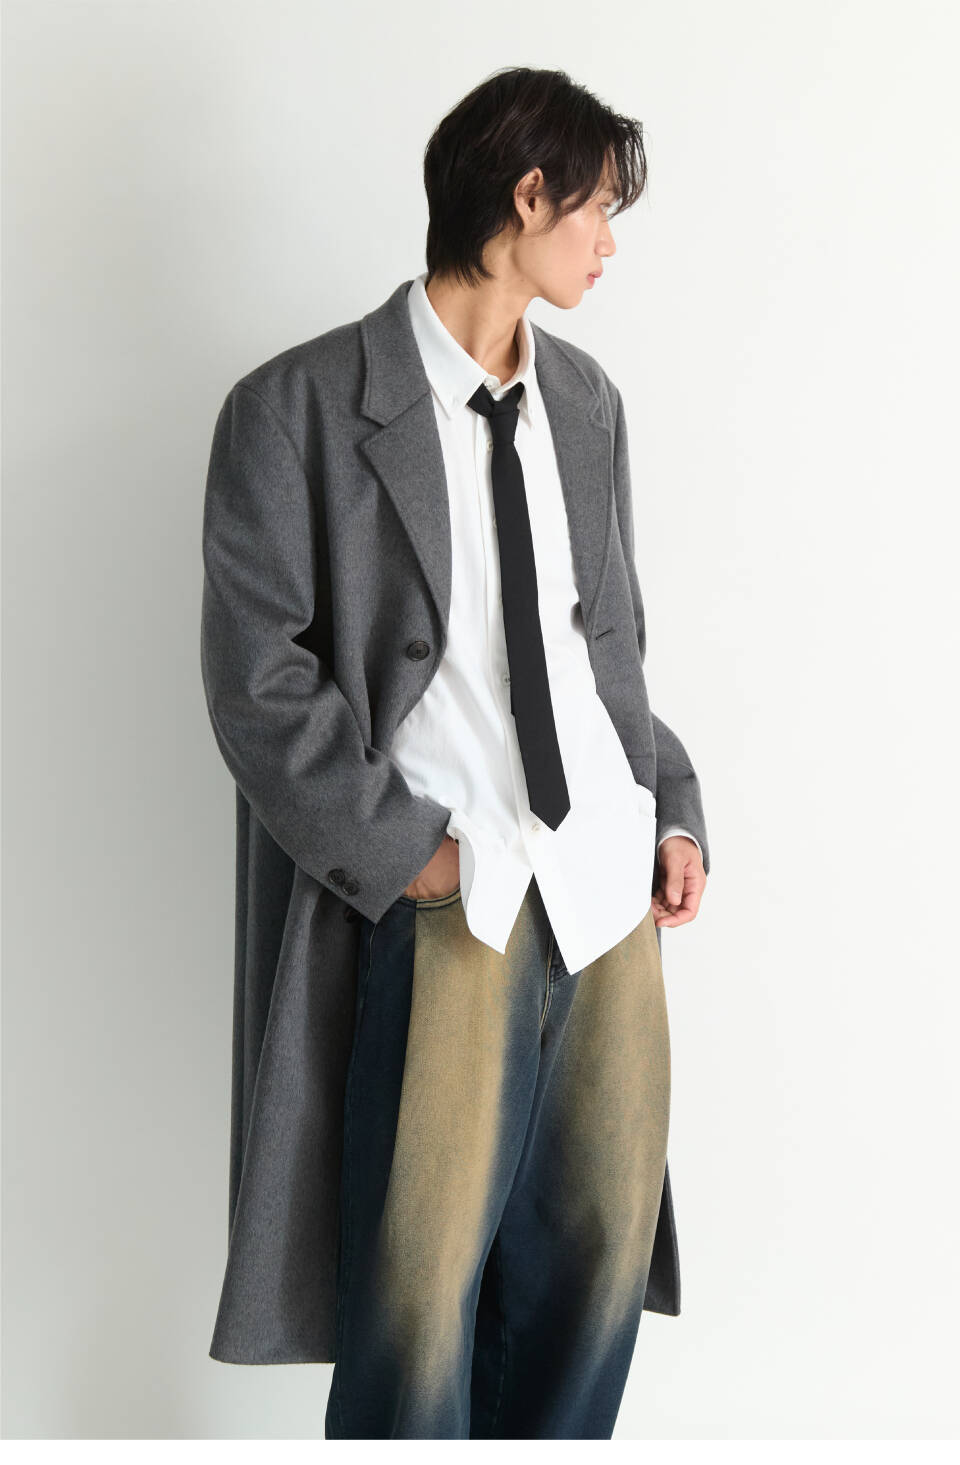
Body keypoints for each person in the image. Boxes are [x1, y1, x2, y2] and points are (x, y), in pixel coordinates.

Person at [200, 65, 710, 1440]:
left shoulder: (588, 405)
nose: (609, 245)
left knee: (591, 1285)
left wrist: (670, 810)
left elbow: (604, 654)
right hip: (453, 901)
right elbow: (257, 682)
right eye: (597, 210)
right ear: (526, 196)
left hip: (604, 899)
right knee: (415, 1311)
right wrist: (408, 855)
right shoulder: (298, 408)